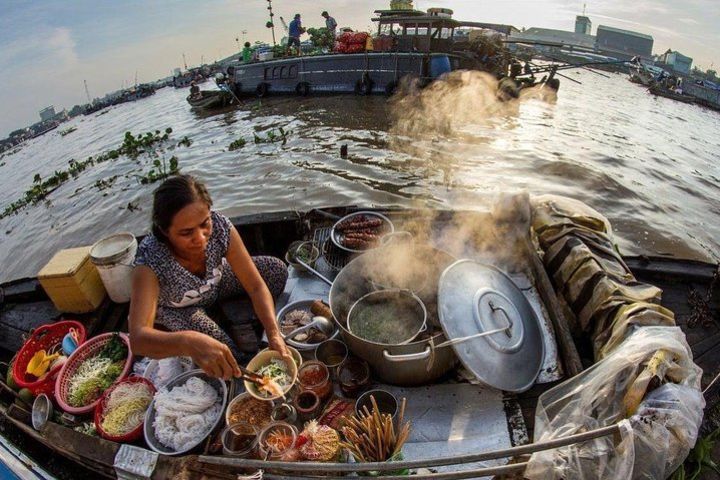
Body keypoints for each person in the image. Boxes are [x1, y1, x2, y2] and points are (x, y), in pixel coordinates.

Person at [128, 175, 291, 380]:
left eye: (204, 223)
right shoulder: (149, 261)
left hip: (216, 283)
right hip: (180, 307)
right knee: (226, 354)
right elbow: (138, 339)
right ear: (165, 231)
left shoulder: (221, 227)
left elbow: (256, 286)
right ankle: (207, 323)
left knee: (276, 271)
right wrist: (187, 341)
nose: (201, 238)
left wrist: (273, 332)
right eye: (186, 233)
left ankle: (218, 310)